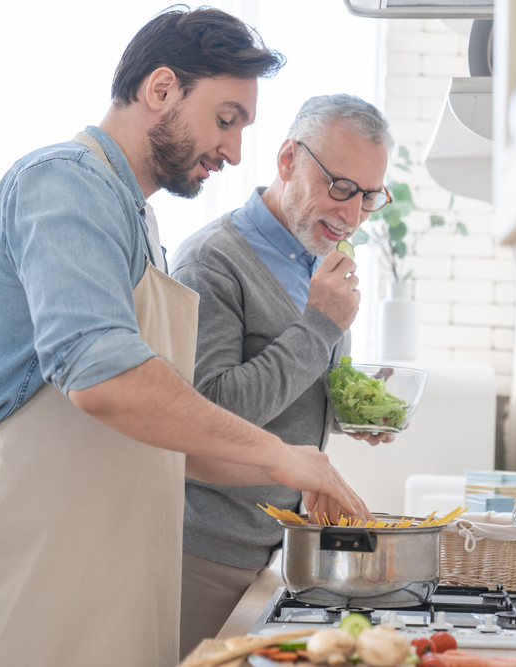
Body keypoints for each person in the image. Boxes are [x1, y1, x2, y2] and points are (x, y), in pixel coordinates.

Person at [0, 10, 371, 667]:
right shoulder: (64, 183)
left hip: (100, 562)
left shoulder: (135, 218)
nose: (237, 152)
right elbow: (107, 379)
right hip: (31, 560)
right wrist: (277, 452)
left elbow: (180, 439)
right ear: (161, 89)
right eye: (226, 118)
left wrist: (298, 467)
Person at [170, 94, 397, 655]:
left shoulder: (314, 257)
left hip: (278, 547)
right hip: (206, 552)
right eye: (340, 187)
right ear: (288, 159)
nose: (351, 215)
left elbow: (289, 391)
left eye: (368, 197)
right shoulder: (213, 262)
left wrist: (351, 414)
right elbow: (208, 413)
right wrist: (321, 326)